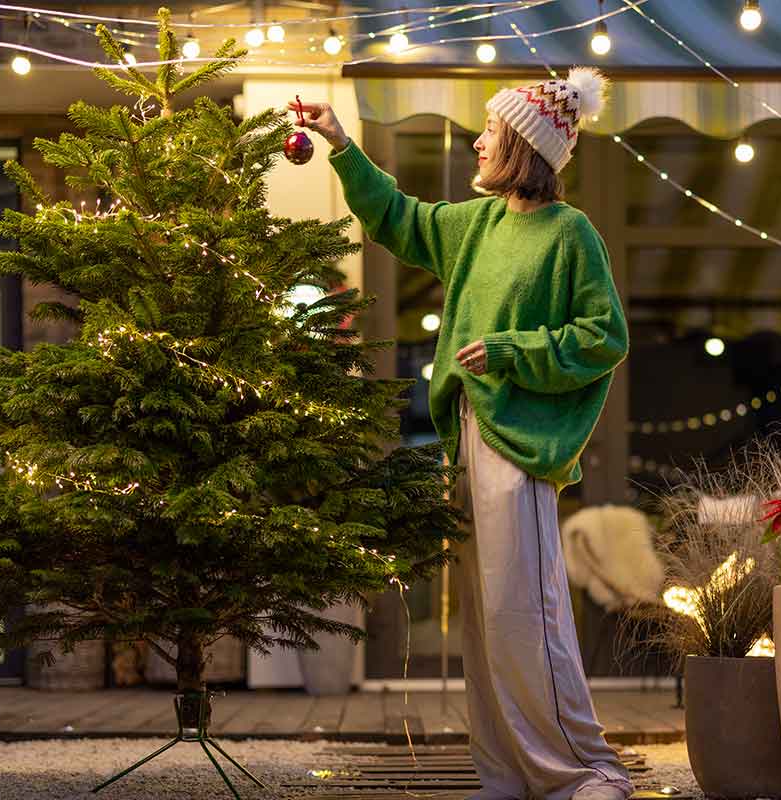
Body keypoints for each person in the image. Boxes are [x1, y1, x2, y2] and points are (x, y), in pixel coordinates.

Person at [288, 67, 632, 800]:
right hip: (468, 436)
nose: (477, 142)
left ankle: (586, 771)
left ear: (522, 146)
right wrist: (343, 144)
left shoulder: (571, 234)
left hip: (520, 444)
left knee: (524, 615)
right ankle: (505, 772)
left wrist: (514, 351)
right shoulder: (476, 226)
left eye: (490, 131)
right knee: (483, 619)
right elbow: (398, 217)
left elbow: (604, 337)